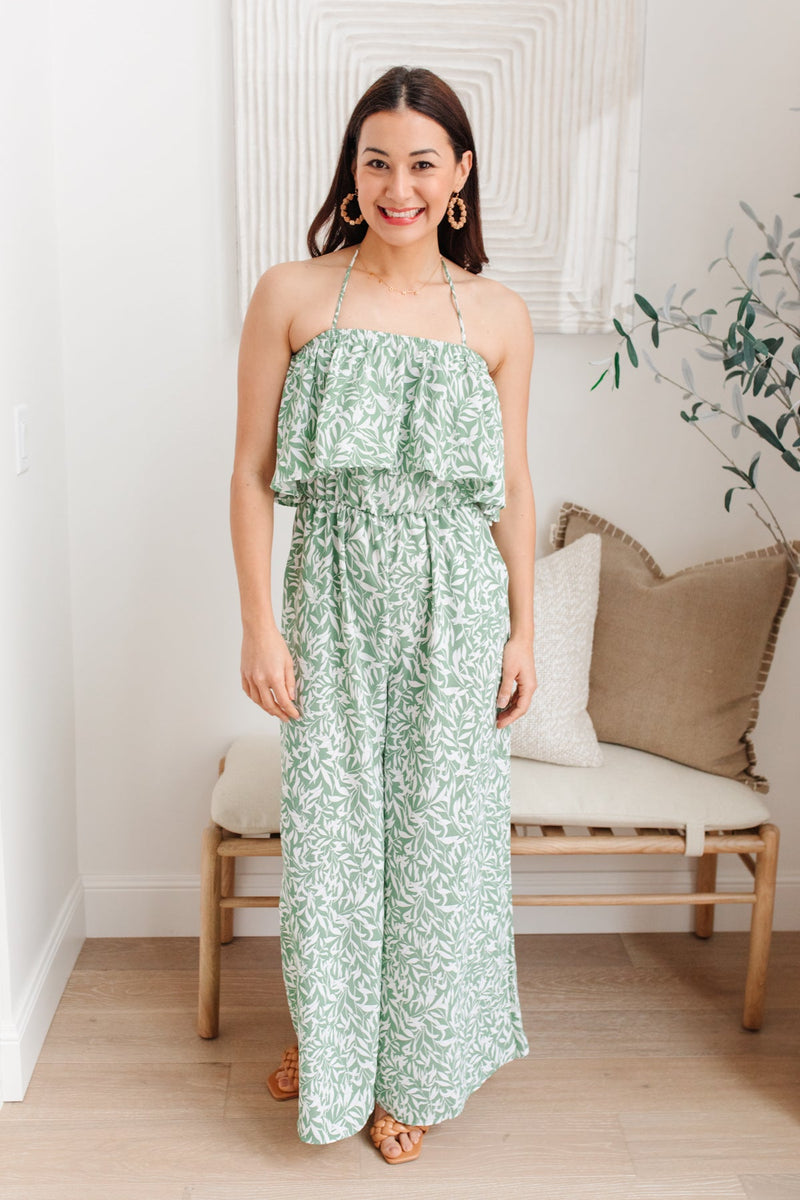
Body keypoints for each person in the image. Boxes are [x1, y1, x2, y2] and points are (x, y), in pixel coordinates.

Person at [231, 64, 537, 1164]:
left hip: (457, 607)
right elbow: (250, 473)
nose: (396, 187)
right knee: (332, 847)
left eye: (420, 164)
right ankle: (335, 1050)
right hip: (331, 602)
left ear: (459, 176)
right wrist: (259, 626)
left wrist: (523, 630)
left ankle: (409, 1074)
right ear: (351, 172)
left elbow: (511, 484)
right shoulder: (292, 294)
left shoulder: (497, 314)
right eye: (376, 163)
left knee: (437, 850)